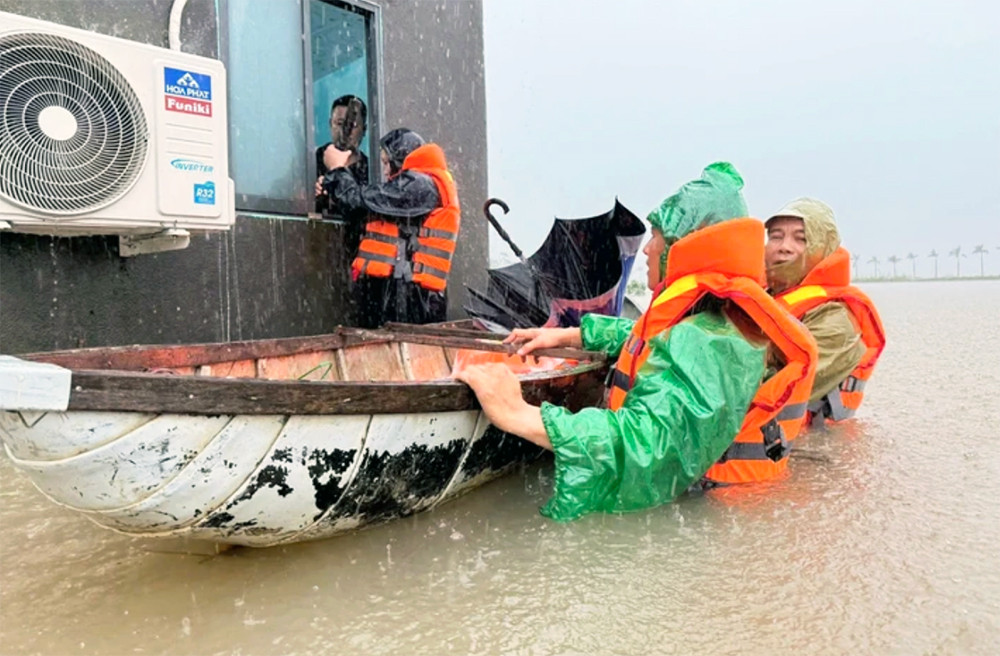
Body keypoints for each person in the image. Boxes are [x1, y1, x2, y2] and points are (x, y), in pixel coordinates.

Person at [456, 163, 817, 521]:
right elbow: (647, 337)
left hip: (710, 513)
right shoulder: (712, 319)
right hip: (713, 503)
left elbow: (650, 446)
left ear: (684, 245)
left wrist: (518, 414)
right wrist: (571, 335)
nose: (647, 250)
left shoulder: (713, 342)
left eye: (657, 236)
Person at [318, 128, 459, 328]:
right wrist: (331, 193)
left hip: (411, 297)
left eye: (386, 163)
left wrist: (337, 170)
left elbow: (358, 200)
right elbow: (368, 207)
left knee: (402, 349)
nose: (384, 170)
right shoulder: (418, 185)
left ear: (400, 160)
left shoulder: (420, 185)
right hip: (404, 292)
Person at [765, 198, 886, 426]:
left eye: (801, 239)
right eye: (776, 236)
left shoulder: (836, 320)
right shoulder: (758, 299)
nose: (784, 246)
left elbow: (788, 385)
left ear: (824, 248)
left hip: (808, 450)